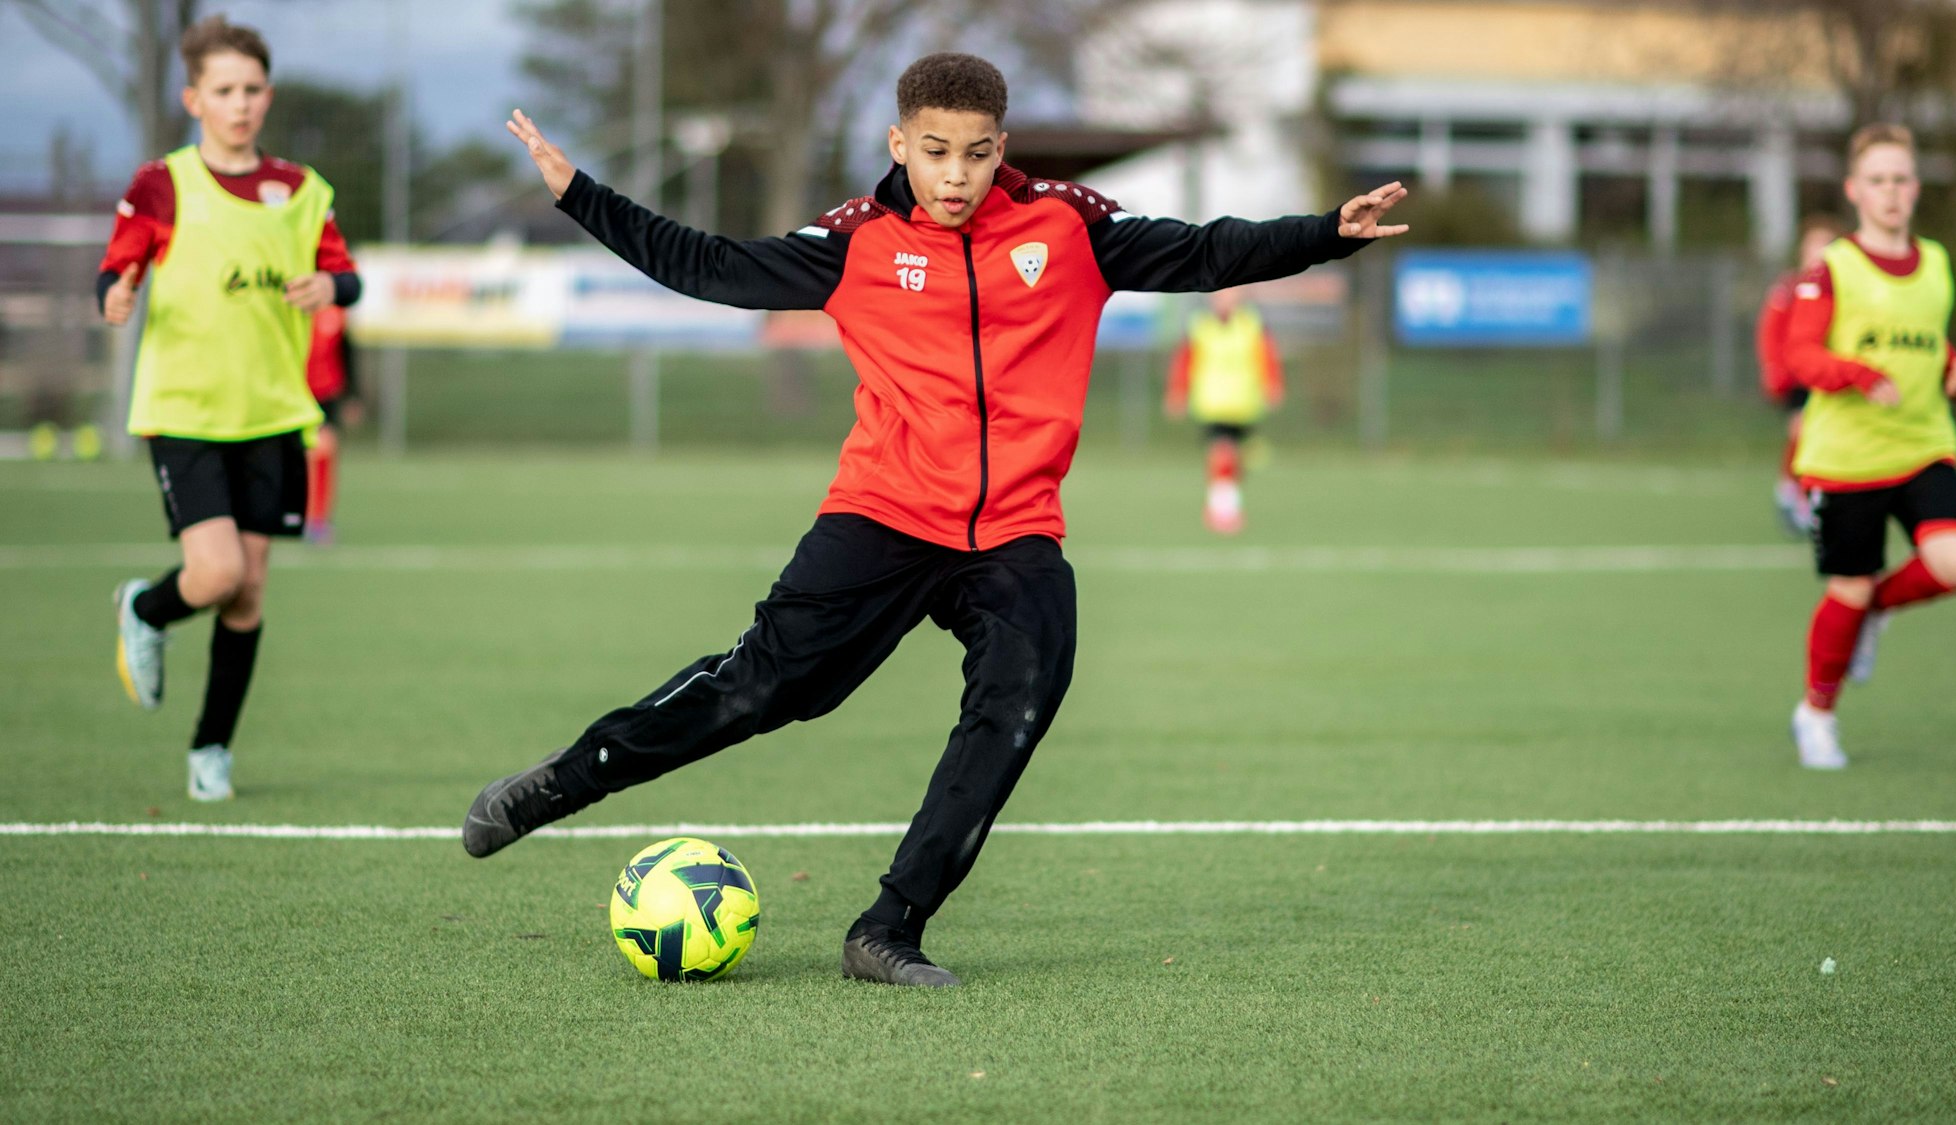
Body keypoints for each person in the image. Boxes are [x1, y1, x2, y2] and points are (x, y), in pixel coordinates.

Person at [464, 53, 1408, 985]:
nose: (956, 175)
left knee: (1022, 692)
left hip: (1014, 529)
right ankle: (565, 778)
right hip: (883, 511)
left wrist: (1328, 231)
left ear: (1004, 149)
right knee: (765, 690)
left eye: (978, 153)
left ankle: (888, 928)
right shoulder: (856, 240)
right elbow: (710, 266)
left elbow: (1208, 251)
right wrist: (578, 193)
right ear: (899, 144)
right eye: (935, 151)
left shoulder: (1068, 227)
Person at [100, 16, 363, 800]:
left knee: (247, 590)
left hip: (274, 413)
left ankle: (211, 748)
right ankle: (145, 609)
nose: (239, 103)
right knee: (213, 574)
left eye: (251, 89)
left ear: (267, 96)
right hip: (185, 410)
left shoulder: (301, 188)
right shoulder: (161, 184)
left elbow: (345, 273)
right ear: (194, 99)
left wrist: (330, 287)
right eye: (223, 90)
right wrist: (115, 290)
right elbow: (120, 265)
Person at [1783, 123, 1956, 769]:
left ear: (1916, 187)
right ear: (1854, 190)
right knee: (1850, 587)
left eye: (1900, 179)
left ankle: (1875, 614)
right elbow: (1801, 354)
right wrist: (1859, 376)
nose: (1891, 192)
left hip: (1924, 444)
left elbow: (1921, 334)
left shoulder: (1939, 264)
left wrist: (1954, 366)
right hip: (1847, 458)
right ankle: (1816, 713)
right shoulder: (1832, 269)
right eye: (1877, 180)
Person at [1165, 287, 1285, 534]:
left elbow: (1265, 356)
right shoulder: (1200, 325)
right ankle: (1222, 512)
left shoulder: (1252, 323)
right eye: (1221, 294)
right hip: (1212, 402)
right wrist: (1177, 391)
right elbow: (1185, 360)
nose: (1225, 299)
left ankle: (1225, 503)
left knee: (1236, 459)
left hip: (1243, 403)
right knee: (1222, 452)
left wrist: (1273, 384)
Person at [1756, 214, 1845, 538]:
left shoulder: (1845, 291)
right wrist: (1775, 372)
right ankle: (1790, 493)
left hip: (1830, 377)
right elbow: (1771, 333)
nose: (1820, 252)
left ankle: (1817, 496)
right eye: (1814, 245)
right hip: (1798, 378)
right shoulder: (1789, 289)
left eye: (1828, 245)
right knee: (1802, 431)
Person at [304, 304, 359, 545]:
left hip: (327, 394)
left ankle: (318, 520)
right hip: (295, 392)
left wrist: (352, 396)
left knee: (325, 450)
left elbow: (348, 355)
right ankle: (297, 515)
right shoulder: (293, 308)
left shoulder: (336, 313)